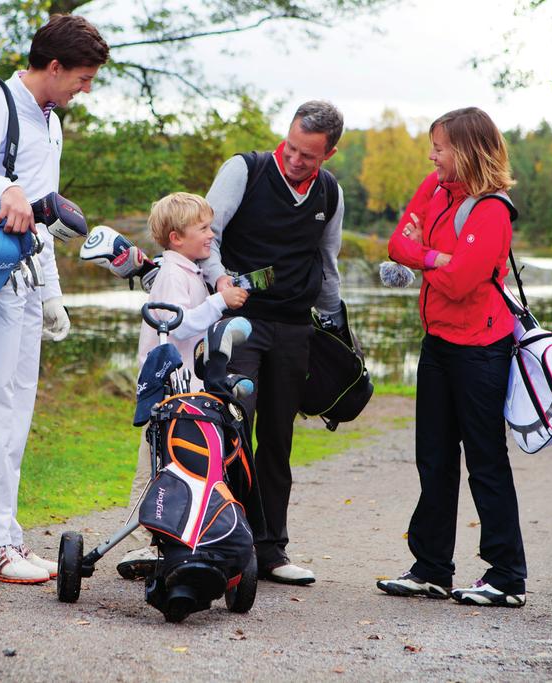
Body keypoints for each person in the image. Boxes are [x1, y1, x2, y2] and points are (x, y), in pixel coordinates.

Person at [0, 15, 109, 584]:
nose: (84, 90)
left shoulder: (50, 120)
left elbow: (46, 213)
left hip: (27, 280)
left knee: (17, 409)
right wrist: (4, 188)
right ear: (54, 66)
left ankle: (7, 535)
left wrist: (53, 293)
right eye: (81, 78)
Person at [378, 106, 527, 607]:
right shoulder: (434, 188)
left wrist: (431, 259)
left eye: (439, 148)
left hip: (482, 351)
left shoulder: (491, 211)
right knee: (434, 459)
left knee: (485, 461)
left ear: (465, 150)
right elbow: (398, 243)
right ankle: (432, 569)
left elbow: (464, 283)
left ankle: (506, 576)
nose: (432, 155)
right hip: (438, 343)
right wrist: (434, 258)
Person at [200, 101, 346, 586]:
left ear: (328, 153)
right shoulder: (246, 169)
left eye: (308, 155)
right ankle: (220, 544)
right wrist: (219, 281)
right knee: (231, 433)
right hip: (240, 320)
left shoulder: (329, 192)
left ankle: (271, 550)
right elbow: (208, 235)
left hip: (293, 327)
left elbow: (327, 262)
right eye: (291, 146)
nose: (295, 160)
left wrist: (336, 327)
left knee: (277, 441)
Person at [116, 193, 249, 579]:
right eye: (203, 229)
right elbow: (176, 324)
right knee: (155, 463)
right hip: (165, 389)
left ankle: (175, 535)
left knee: (180, 462)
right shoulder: (174, 275)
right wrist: (220, 302)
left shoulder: (188, 270)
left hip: (185, 388)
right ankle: (141, 539)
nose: (211, 235)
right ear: (177, 237)